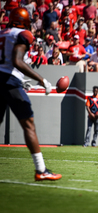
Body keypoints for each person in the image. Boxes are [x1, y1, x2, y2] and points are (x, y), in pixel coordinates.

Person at [0, 7, 61, 181]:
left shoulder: (2, 32)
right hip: (9, 81)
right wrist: (42, 80)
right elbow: (17, 61)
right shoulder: (23, 34)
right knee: (29, 125)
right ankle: (41, 170)